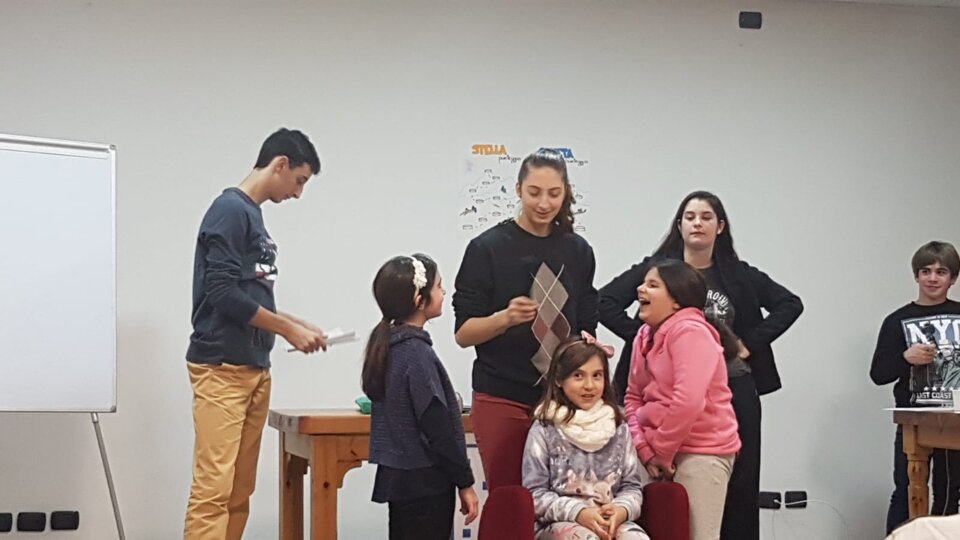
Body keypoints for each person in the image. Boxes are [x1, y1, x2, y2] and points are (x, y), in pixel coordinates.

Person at [599, 191, 802, 539]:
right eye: (690, 217)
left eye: (706, 217)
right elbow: (603, 301)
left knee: (737, 487)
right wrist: (647, 336)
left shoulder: (737, 274)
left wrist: (748, 344)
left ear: (720, 226)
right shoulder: (657, 269)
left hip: (730, 390)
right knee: (658, 506)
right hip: (667, 395)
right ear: (679, 225)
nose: (697, 223)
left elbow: (790, 304)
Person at [184, 128, 327, 539]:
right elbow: (221, 292)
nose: (298, 193)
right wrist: (286, 329)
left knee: (238, 490)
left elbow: (244, 295)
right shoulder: (230, 210)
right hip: (222, 369)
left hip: (253, 367)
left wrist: (294, 323)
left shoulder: (252, 215)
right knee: (214, 492)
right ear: (280, 164)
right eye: (299, 180)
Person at [454, 148, 599, 490]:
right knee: (509, 497)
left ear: (565, 194)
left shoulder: (578, 251)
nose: (544, 203)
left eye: (554, 194)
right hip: (502, 396)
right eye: (534, 192)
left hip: (563, 399)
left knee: (564, 498)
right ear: (518, 190)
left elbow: (586, 323)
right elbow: (463, 333)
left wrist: (590, 346)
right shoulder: (487, 248)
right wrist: (504, 318)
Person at [363, 254, 480, 539]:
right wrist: (464, 481)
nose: (444, 292)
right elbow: (437, 427)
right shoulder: (416, 354)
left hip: (403, 481)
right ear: (419, 300)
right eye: (439, 286)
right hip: (426, 483)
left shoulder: (392, 347)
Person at [624, 259, 741, 540]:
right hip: (652, 451)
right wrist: (646, 450)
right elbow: (632, 397)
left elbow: (688, 402)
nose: (641, 289)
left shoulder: (691, 331)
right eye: (644, 283)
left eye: (653, 285)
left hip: (703, 450)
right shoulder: (643, 335)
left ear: (676, 300)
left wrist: (662, 453)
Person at [870, 240, 960, 533]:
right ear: (916, 276)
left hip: (954, 419)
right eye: (926, 271)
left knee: (949, 493)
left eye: (941, 272)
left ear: (953, 278)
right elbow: (878, 374)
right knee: (906, 490)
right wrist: (905, 358)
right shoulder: (896, 320)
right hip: (913, 418)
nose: (933, 278)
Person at [523, 333, 649, 540]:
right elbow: (535, 494)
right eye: (578, 376)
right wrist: (578, 512)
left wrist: (620, 510)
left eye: (597, 375)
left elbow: (632, 487)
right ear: (559, 380)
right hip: (558, 523)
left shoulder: (618, 426)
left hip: (609, 519)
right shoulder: (545, 428)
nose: (589, 385)